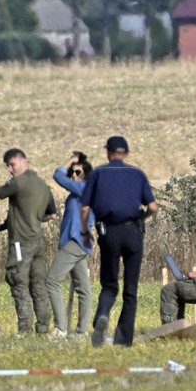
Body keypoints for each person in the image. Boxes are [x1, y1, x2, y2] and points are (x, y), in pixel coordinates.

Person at [0, 148, 57, 334]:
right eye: (7, 166)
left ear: (23, 161)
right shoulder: (42, 185)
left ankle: (25, 329)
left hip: (21, 243)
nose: (10, 169)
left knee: (18, 281)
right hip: (38, 241)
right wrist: (25, 220)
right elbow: (51, 214)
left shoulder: (19, 182)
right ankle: (43, 328)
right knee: (38, 284)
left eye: (12, 165)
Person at [80, 136, 157, 347]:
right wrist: (141, 219)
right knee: (131, 290)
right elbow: (152, 207)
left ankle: (103, 314)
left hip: (109, 232)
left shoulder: (98, 174)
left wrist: (85, 231)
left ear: (108, 152)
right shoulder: (137, 174)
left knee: (109, 283)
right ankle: (123, 340)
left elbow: (84, 208)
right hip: (133, 232)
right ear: (126, 153)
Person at [45, 152, 95, 337]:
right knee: (83, 289)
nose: (73, 175)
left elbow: (58, 176)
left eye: (78, 172)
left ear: (86, 175)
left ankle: (60, 328)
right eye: (72, 172)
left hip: (75, 242)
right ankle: (81, 332)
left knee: (52, 280)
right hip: (78, 243)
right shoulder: (79, 192)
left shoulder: (84, 188)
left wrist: (71, 161)